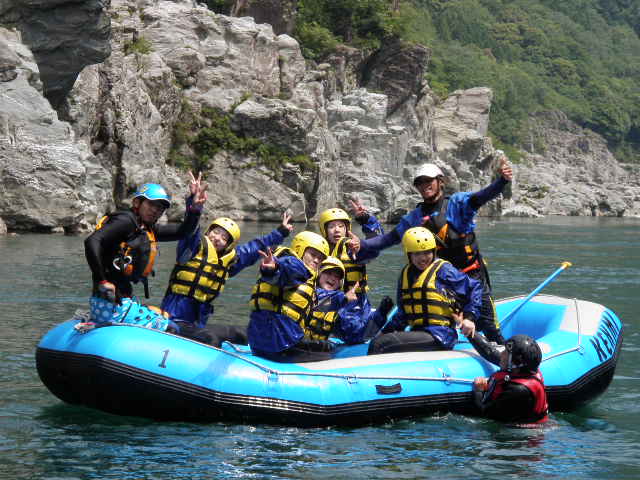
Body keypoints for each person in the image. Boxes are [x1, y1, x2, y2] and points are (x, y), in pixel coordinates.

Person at [360, 155, 513, 344]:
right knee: (425, 316)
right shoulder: (415, 218)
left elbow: (481, 197)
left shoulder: (457, 204)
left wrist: (502, 181)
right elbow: (388, 239)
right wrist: (361, 244)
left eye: (428, 181)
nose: (424, 186)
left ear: (440, 181)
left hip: (471, 277)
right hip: (442, 280)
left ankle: (499, 347)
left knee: (489, 328)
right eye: (420, 183)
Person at [82, 174, 207, 332]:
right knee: (172, 329)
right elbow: (92, 241)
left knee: (166, 316)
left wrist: (194, 208)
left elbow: (184, 231)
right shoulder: (126, 221)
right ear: (137, 202)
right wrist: (102, 281)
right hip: (112, 306)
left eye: (160, 208)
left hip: (120, 301)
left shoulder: (145, 229)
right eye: (151, 204)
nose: (155, 210)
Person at [160, 212, 294, 345]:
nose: (217, 238)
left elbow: (255, 248)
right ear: (208, 231)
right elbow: (189, 229)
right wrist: (194, 210)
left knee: (240, 334)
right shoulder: (191, 248)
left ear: (229, 245)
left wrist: (281, 232)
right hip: (173, 317)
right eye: (215, 232)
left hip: (197, 322)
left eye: (224, 238)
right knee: (210, 338)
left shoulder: (229, 262)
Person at [367, 227, 481, 355]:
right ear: (409, 254)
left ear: (433, 251)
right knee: (379, 341)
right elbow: (402, 315)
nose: (422, 258)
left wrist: (469, 318)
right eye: (417, 254)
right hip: (418, 332)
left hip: (440, 334)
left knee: (379, 344)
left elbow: (474, 287)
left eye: (427, 253)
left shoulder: (444, 270)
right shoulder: (406, 275)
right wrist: (385, 332)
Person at [247, 231, 333, 363]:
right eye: (313, 255)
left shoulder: (307, 279)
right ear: (299, 249)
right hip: (281, 346)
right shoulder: (293, 264)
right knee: (328, 355)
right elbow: (287, 270)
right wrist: (274, 268)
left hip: (258, 344)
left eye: (320, 258)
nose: (316, 260)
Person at [317, 203, 390, 327]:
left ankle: (376, 320)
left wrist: (367, 220)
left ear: (347, 229)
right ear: (324, 230)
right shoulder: (318, 252)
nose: (337, 230)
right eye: (331, 226)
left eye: (341, 226)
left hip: (354, 305)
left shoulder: (353, 249)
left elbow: (376, 246)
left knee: (353, 328)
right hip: (328, 302)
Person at [307, 256, 394, 344]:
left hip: (317, 348)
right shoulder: (306, 290)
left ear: (340, 283)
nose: (332, 278)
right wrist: (344, 298)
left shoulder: (341, 308)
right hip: (300, 345)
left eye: (337, 276)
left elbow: (356, 335)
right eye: (328, 273)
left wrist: (380, 314)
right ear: (319, 274)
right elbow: (319, 301)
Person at [470, 333, 549, 425]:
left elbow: (484, 413)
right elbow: (492, 353)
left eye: (506, 353)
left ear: (516, 363)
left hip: (521, 432)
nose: (502, 354)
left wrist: (478, 391)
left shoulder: (518, 391)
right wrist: (471, 335)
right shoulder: (524, 368)